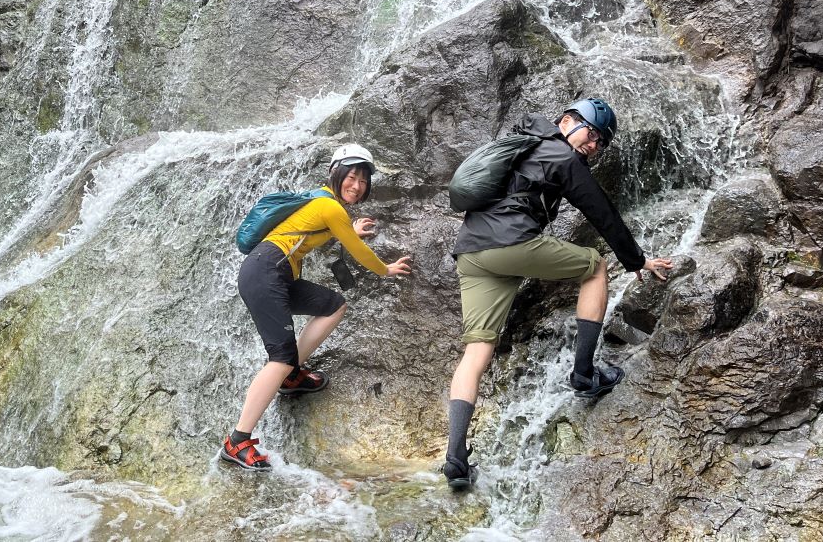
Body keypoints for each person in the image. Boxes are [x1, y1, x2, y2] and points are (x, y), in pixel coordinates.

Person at [442, 98, 673, 490]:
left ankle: (456, 461)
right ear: (567, 122)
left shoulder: (523, 143)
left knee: (477, 350)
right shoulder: (562, 156)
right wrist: (637, 260)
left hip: (472, 253)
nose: (595, 146)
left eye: (602, 143)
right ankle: (584, 374)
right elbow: (602, 213)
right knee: (595, 265)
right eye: (593, 133)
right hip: (509, 244)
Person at [221, 143, 414, 471]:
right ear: (336, 174)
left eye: (364, 182)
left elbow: (314, 229)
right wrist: (387, 269)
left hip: (273, 273)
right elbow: (359, 253)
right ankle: (237, 441)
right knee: (279, 357)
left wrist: (349, 229)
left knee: (333, 305)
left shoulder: (321, 200)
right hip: (266, 271)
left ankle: (291, 376)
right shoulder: (331, 208)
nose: (357, 186)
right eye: (352, 177)